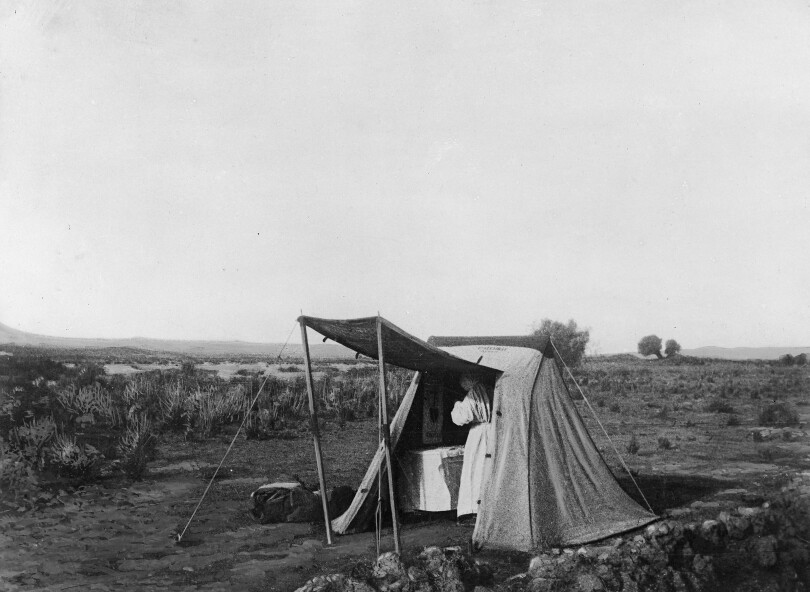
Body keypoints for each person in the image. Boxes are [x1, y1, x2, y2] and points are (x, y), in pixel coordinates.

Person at [451, 373, 492, 518]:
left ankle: (476, 509)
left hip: (480, 434)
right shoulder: (489, 388)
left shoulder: (475, 392)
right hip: (492, 431)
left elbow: (462, 417)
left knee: (476, 469)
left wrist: (457, 404)